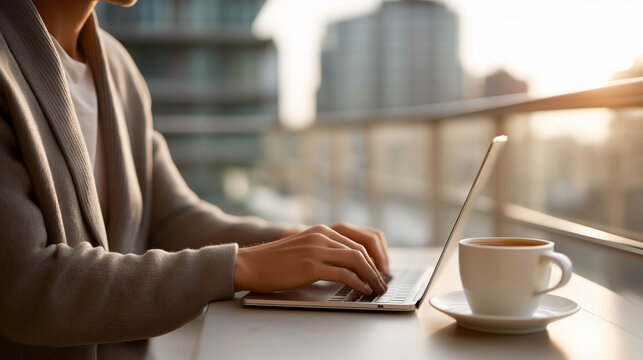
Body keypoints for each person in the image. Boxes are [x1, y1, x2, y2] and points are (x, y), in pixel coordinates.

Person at [0, 0, 390, 359]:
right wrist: (242, 266)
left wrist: (303, 243)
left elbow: (173, 220)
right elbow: (27, 288)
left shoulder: (117, 67)